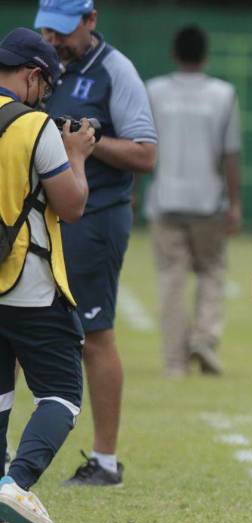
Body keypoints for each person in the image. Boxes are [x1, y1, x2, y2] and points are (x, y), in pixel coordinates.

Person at [35, 0, 158, 486]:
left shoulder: (115, 70)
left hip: (97, 218)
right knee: (19, 330)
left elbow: (145, 152)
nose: (54, 41)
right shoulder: (37, 60)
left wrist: (85, 141)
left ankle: (105, 460)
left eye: (63, 32)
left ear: (91, 21)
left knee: (94, 334)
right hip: (38, 217)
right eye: (47, 30)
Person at [0, 27, 96, 523]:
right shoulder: (34, 126)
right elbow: (72, 204)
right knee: (61, 393)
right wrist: (75, 152)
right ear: (33, 76)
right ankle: (16, 485)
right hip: (28, 281)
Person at [144, 26, 241, 378]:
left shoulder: (154, 91)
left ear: (174, 53)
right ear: (206, 55)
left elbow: (143, 146)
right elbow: (231, 154)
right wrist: (235, 203)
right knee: (212, 272)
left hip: (165, 198)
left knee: (171, 280)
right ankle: (204, 336)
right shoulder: (223, 94)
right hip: (208, 200)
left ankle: (174, 362)